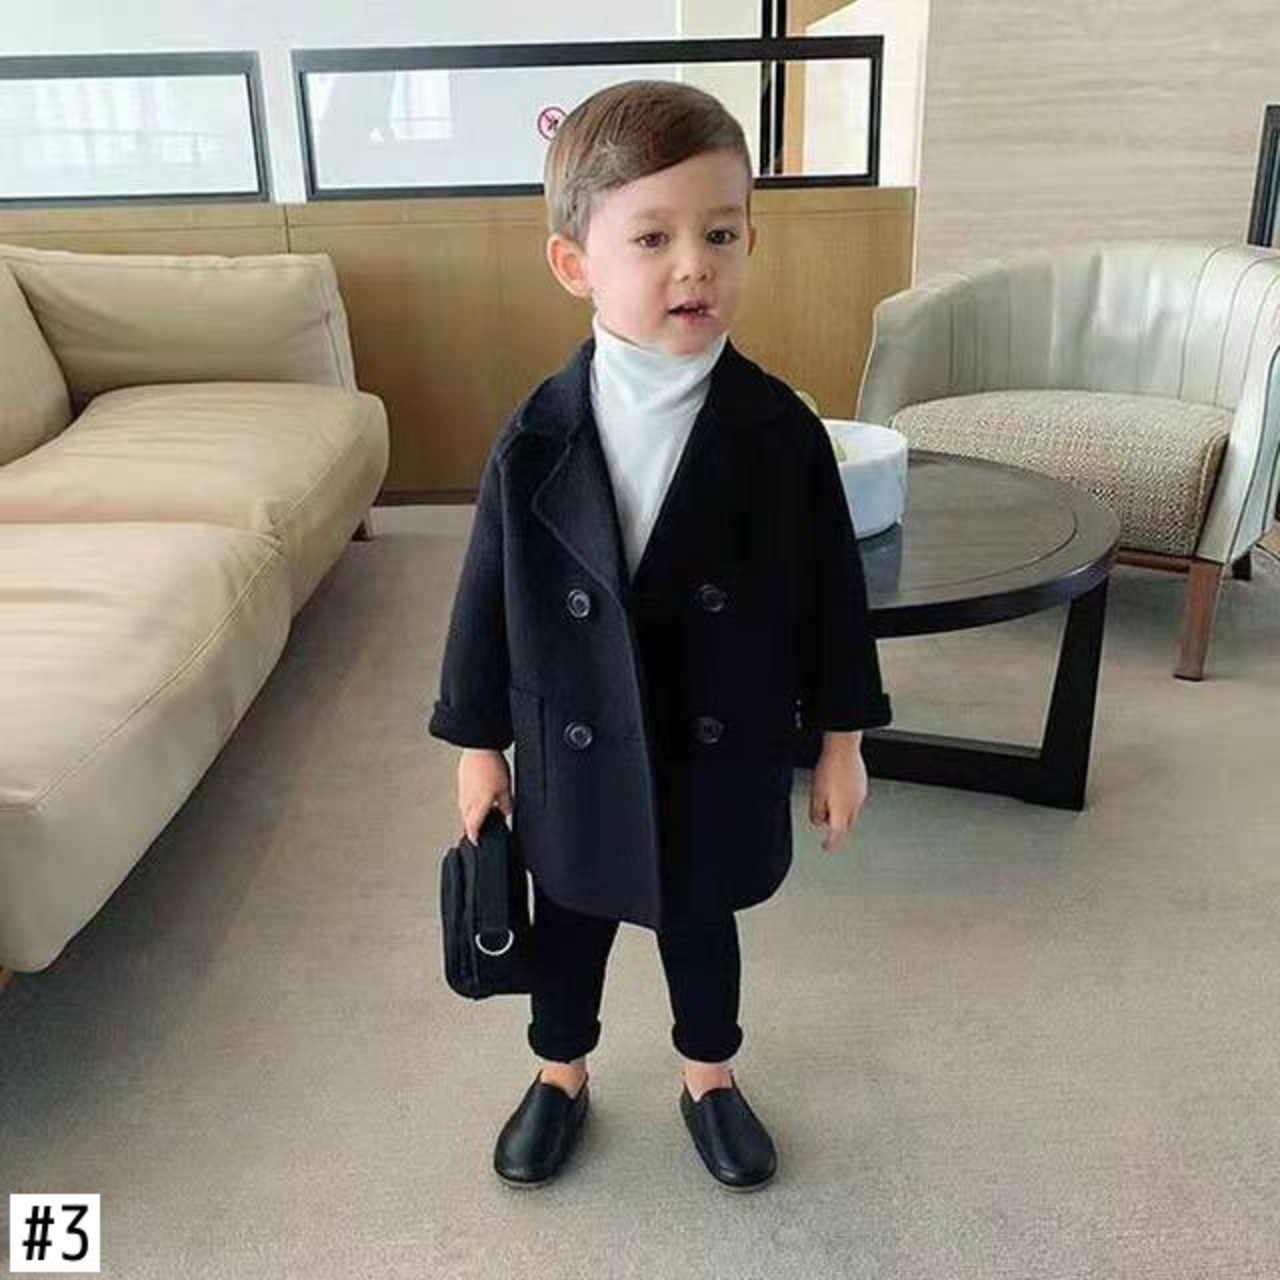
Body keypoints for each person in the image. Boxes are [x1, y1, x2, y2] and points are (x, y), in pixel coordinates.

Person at [428, 79, 892, 1191]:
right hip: (575, 741)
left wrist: (840, 740)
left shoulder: (779, 432)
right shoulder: (536, 435)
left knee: (701, 922)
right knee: (569, 922)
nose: (695, 266)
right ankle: (559, 1071)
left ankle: (708, 1075)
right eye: (652, 238)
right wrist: (478, 743)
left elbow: (832, 597)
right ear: (574, 262)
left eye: (721, 233)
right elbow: (486, 596)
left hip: (715, 741)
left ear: (749, 241)